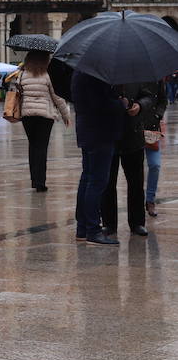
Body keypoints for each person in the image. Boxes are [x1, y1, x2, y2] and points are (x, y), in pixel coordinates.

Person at [102, 81, 163, 238]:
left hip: (133, 134)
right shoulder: (104, 76)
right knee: (108, 182)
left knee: (136, 182)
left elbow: (149, 96)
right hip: (109, 135)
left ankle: (137, 222)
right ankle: (109, 223)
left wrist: (139, 105)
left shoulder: (135, 73)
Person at [72, 70, 125, 245]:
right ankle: (93, 230)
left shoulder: (79, 72)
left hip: (88, 131)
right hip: (100, 133)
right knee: (97, 182)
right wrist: (120, 103)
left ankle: (83, 228)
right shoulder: (94, 75)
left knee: (87, 179)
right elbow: (101, 105)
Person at [17, 51, 71, 192]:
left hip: (27, 115)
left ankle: (34, 180)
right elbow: (57, 97)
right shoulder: (47, 75)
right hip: (44, 116)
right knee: (41, 148)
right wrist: (66, 115)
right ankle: (41, 181)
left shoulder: (22, 74)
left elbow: (18, 91)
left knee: (33, 146)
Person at [145, 80, 168, 217]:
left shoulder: (156, 77)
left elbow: (163, 100)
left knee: (155, 165)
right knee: (135, 171)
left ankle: (150, 200)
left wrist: (157, 115)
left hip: (152, 129)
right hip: (134, 128)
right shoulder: (130, 75)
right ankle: (136, 203)